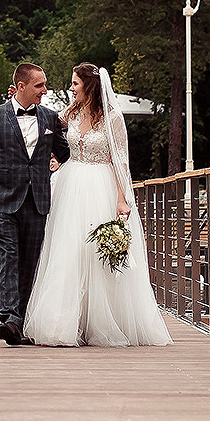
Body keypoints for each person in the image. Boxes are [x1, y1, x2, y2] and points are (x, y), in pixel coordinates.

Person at [19, 63, 171, 348]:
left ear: (89, 85)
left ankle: (100, 321)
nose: (71, 88)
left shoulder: (112, 117)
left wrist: (122, 198)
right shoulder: (69, 113)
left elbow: (120, 160)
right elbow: (44, 125)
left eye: (75, 83)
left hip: (102, 185)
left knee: (96, 253)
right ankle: (65, 322)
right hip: (70, 186)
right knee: (68, 251)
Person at [0, 62, 69, 345]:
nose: (45, 90)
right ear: (21, 86)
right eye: (39, 85)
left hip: (37, 202)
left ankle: (19, 323)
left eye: (45, 84)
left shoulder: (50, 118)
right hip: (1, 202)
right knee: (7, 259)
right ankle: (10, 318)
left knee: (29, 263)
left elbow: (67, 153)